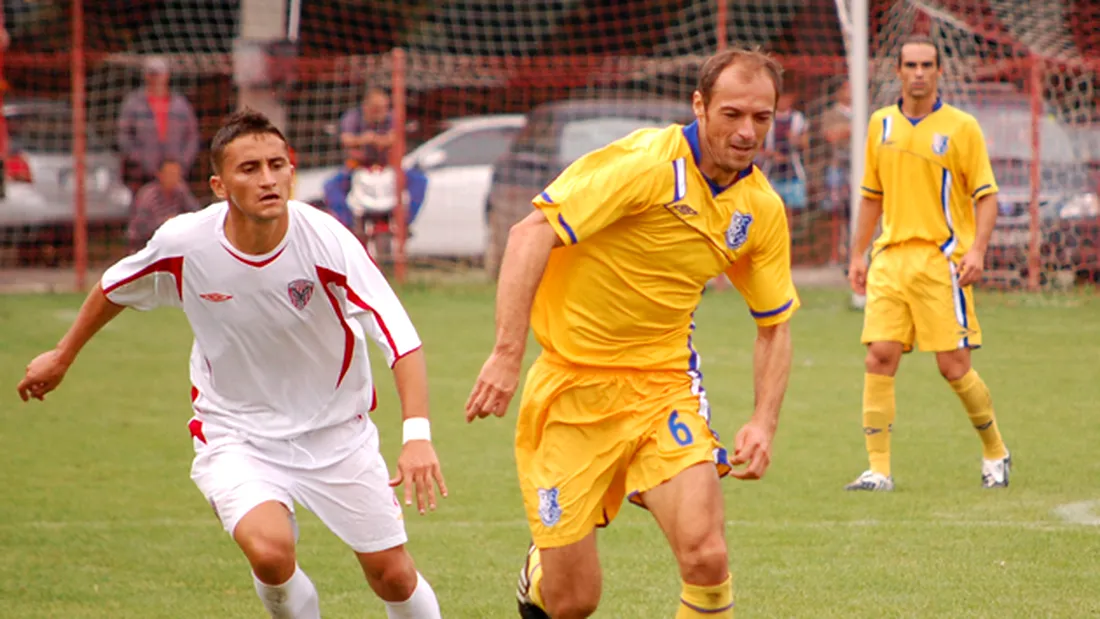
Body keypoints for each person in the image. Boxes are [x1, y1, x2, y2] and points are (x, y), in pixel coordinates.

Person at [18, 109, 447, 619]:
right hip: (237, 432)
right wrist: (63, 355)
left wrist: (417, 435)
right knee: (269, 553)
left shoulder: (327, 241)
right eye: (250, 169)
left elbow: (399, 336)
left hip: (336, 433)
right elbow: (113, 286)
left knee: (392, 576)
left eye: (277, 164)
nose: (268, 179)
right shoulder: (185, 242)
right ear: (220, 185)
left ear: (292, 169)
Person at [466, 47, 799, 619]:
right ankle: (542, 572)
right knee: (574, 600)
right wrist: (504, 355)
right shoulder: (645, 165)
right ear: (699, 105)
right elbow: (528, 236)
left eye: (761, 118)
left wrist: (764, 420)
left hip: (663, 387)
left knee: (707, 556)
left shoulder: (761, 209)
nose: (747, 133)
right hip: (572, 390)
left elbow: (774, 326)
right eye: (732, 115)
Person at [845, 36, 1010, 492]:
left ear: (939, 71)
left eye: (927, 65)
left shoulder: (961, 128)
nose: (919, 72)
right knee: (879, 356)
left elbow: (987, 196)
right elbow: (871, 197)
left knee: (953, 366)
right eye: (910, 65)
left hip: (941, 262)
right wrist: (858, 253)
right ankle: (878, 470)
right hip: (890, 259)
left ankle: (995, 452)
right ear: (896, 71)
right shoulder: (879, 125)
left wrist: (976, 251)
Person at [117, 56, 200, 195]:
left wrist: (181, 164)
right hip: (142, 174)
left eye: (158, 73)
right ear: (145, 76)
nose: (155, 78)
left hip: (175, 173)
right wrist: (141, 159)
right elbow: (124, 137)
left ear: (166, 75)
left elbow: (192, 136)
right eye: (151, 74)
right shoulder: (133, 103)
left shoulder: (180, 105)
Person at [126, 158, 201, 252]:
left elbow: (196, 212)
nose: (174, 178)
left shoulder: (181, 190)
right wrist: (166, 223)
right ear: (159, 174)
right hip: (145, 244)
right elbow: (140, 227)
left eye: (176, 174)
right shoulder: (148, 195)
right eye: (170, 174)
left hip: (175, 239)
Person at [758, 91, 808, 210]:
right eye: (780, 97)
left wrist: (796, 140)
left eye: (786, 97)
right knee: (769, 208)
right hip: (769, 169)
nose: (783, 101)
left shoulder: (798, 118)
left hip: (792, 170)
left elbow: (806, 144)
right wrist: (770, 154)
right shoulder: (766, 118)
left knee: (791, 209)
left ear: (792, 98)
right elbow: (756, 147)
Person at [822, 80, 853, 264]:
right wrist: (851, 129)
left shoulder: (865, 112)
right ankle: (836, 254)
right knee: (836, 212)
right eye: (846, 88)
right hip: (838, 166)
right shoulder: (831, 114)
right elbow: (831, 136)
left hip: (860, 167)